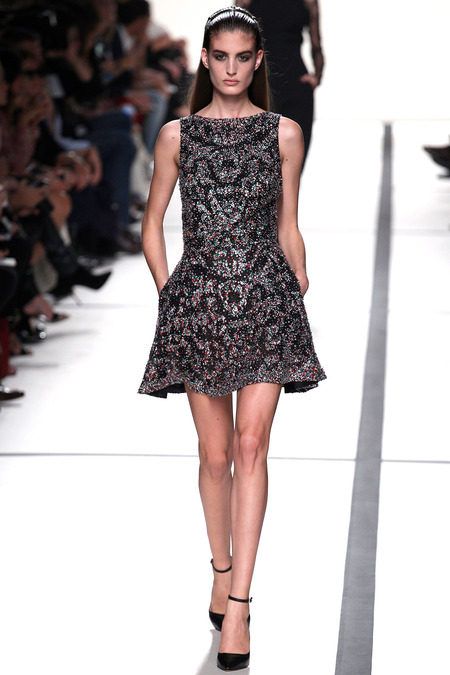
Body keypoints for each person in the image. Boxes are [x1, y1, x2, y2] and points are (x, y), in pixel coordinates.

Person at [138, 7, 325, 671]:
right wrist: (170, 294)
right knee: (214, 455)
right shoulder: (176, 136)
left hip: (267, 301)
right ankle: (220, 568)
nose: (231, 68)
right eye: (220, 56)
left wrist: (299, 274)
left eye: (243, 57)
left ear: (258, 60)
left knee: (251, 447)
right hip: (201, 305)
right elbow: (152, 223)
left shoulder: (284, 133)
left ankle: (240, 604)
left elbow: (288, 222)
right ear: (205, 59)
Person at [236, 0, 324, 168]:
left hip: (291, 86)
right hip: (262, 85)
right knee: (260, 164)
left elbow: (316, 43)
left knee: (290, 164)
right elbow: (234, 38)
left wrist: (317, 76)